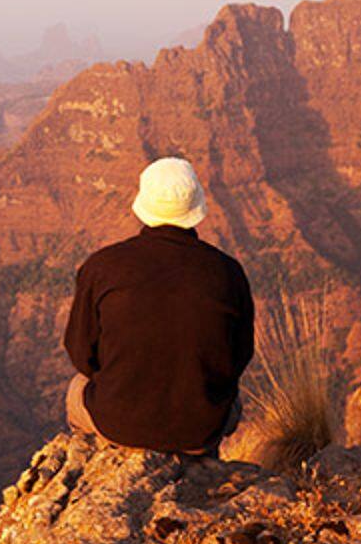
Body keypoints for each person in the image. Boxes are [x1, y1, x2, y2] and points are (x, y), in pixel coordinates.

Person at [63, 156, 254, 458]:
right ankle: (199, 465)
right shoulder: (228, 272)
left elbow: (80, 353)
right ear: (197, 208)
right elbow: (239, 357)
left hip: (119, 425)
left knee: (76, 388)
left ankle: (103, 461)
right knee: (234, 403)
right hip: (200, 430)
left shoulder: (101, 267)